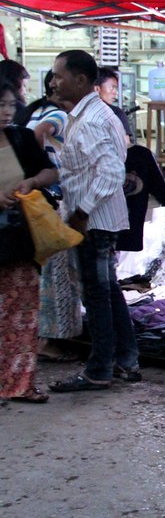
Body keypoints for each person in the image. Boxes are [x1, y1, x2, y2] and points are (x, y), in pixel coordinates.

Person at [48, 50, 140, 393]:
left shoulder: (93, 119)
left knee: (98, 293)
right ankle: (125, 359)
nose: (54, 82)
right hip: (96, 219)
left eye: (59, 76)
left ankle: (99, 368)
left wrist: (81, 212)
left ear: (81, 80)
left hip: (94, 222)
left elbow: (111, 173)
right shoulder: (86, 116)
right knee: (107, 290)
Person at [0, 79, 59, 403]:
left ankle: (19, 384)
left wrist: (32, 181)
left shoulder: (21, 137)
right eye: (1, 105)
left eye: (11, 105)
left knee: (21, 315)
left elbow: (51, 172)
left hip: (17, 241)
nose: (8, 112)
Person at [21, 71, 82, 362]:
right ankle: (48, 341)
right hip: (51, 200)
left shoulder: (35, 111)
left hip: (33, 202)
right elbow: (37, 136)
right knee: (57, 276)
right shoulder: (56, 115)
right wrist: (39, 169)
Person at [95, 66, 134, 145]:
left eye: (116, 89)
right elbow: (126, 145)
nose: (115, 93)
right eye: (112, 87)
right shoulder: (116, 113)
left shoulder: (76, 111)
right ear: (97, 89)